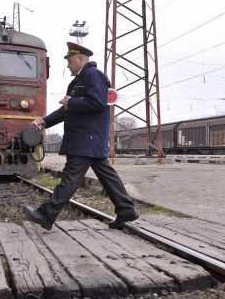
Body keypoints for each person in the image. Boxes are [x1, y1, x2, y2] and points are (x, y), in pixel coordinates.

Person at [23, 42, 139, 230]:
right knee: (108, 176)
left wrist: (73, 102)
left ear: (79, 59)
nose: (68, 65)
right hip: (87, 139)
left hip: (86, 138)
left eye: (69, 61)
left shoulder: (93, 75)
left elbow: (98, 103)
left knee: (70, 178)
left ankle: (46, 215)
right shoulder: (79, 80)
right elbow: (67, 109)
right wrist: (43, 122)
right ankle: (126, 210)